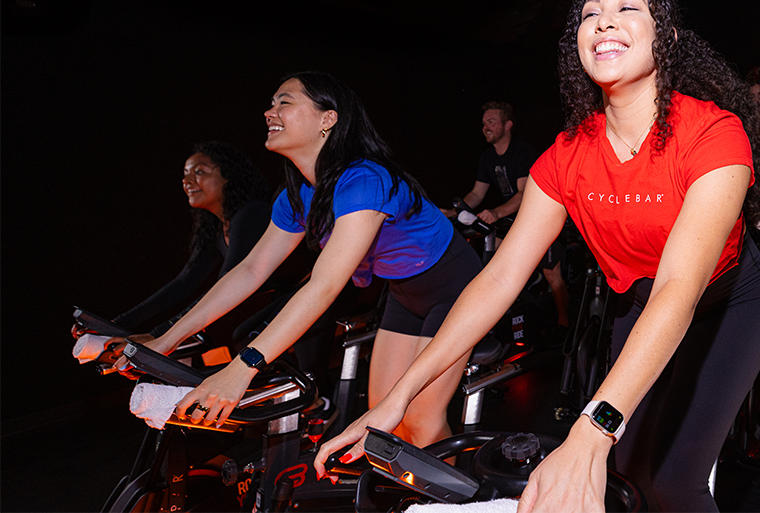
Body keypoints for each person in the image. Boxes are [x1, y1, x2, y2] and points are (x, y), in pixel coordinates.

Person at [316, 0, 760, 513]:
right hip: (640, 302)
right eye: (590, 14)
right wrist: (399, 397)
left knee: (673, 484)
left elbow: (680, 286)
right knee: (623, 478)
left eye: (627, 7)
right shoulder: (566, 157)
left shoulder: (713, 134)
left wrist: (593, 428)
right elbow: (498, 281)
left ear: (667, 37)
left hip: (725, 305)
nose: (604, 22)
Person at [120, 72, 481, 449]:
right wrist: (166, 339)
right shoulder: (298, 195)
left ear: (328, 119)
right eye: (271, 103)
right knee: (384, 419)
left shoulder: (365, 180)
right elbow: (250, 270)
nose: (268, 112)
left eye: (284, 102)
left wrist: (242, 368)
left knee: (421, 420)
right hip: (403, 295)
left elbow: (324, 285)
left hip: (453, 287)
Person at [108, 141, 272, 338]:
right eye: (185, 173)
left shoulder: (251, 215)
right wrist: (118, 324)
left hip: (305, 300)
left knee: (240, 336)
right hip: (283, 304)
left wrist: (158, 335)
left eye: (199, 172)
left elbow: (227, 285)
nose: (187, 180)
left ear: (229, 176)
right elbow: (184, 283)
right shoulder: (219, 227)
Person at [442, 101, 569, 328]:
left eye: (491, 122)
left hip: (539, 217)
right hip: (512, 220)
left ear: (507, 125)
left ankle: (564, 323)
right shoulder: (487, 158)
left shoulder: (523, 153)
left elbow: (524, 195)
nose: (486, 127)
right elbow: (476, 194)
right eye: (483, 123)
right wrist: (453, 212)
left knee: (552, 273)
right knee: (496, 261)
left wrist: (496, 212)